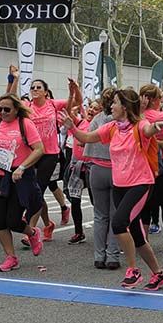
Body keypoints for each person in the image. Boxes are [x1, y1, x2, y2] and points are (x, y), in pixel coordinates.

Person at [62, 89, 163, 291]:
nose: (111, 106)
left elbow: (148, 130)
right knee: (137, 236)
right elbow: (86, 137)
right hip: (120, 185)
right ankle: (158, 274)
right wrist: (72, 128)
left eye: (115, 103)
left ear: (126, 106)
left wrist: (156, 127)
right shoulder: (112, 127)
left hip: (140, 184)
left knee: (119, 223)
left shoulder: (140, 126)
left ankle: (133, 270)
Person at [8, 71, 80, 242]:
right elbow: (10, 98)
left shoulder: (53, 104)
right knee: (36, 191)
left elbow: (78, 102)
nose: (34, 89)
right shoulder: (27, 106)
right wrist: (15, 79)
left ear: (46, 92)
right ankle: (47, 224)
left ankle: (31, 230)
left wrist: (73, 90)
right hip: (32, 153)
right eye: (32, 87)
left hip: (50, 154)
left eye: (38, 87)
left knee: (38, 188)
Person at [0, 93, 46, 272]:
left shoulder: (26, 124)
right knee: (0, 222)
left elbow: (39, 149)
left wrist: (22, 167)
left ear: (16, 109)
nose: (2, 112)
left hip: (20, 177)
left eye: (7, 109)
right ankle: (11, 257)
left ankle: (32, 233)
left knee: (14, 220)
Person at [84, 88, 122, 270]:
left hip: (97, 168)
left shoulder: (97, 119)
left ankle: (99, 256)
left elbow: (85, 139)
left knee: (100, 215)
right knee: (115, 214)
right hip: (117, 170)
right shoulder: (122, 122)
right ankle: (113, 255)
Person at [139, 84, 163, 252]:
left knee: (145, 203)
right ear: (154, 99)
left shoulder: (137, 116)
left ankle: (145, 239)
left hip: (144, 162)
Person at [65, 102, 95, 245]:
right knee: (74, 200)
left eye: (96, 108)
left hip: (93, 167)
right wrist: (74, 91)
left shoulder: (101, 126)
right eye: (91, 107)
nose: (92, 110)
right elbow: (69, 116)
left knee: (96, 202)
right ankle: (78, 232)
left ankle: (106, 231)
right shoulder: (81, 122)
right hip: (77, 166)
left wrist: (88, 142)